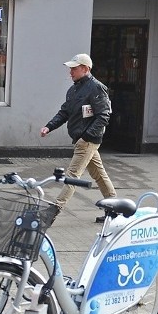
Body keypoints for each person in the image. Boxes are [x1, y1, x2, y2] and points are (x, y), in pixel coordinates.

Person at [40, 53, 116, 222]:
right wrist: (49, 126)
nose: (71, 72)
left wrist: (87, 136)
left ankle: (54, 210)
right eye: (71, 69)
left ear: (86, 69)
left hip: (87, 140)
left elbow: (104, 115)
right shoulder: (74, 89)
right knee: (99, 175)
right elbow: (65, 112)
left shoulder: (96, 88)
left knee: (72, 175)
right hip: (82, 139)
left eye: (74, 68)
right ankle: (114, 210)